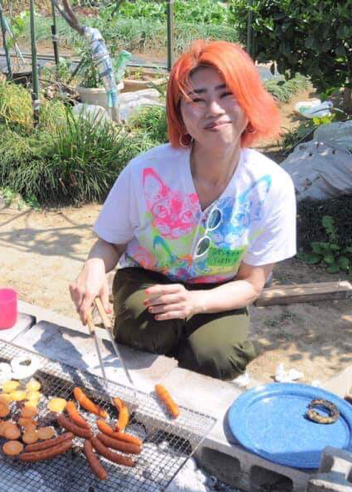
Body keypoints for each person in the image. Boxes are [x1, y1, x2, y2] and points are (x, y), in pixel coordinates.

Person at [69, 40, 296, 380]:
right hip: (149, 278)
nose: (213, 110)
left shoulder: (271, 185)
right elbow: (111, 243)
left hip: (219, 289)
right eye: (196, 99)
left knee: (217, 355)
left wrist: (195, 303)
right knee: (144, 329)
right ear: (179, 112)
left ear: (250, 100)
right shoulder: (146, 171)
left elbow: (251, 284)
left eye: (227, 94)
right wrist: (93, 266)